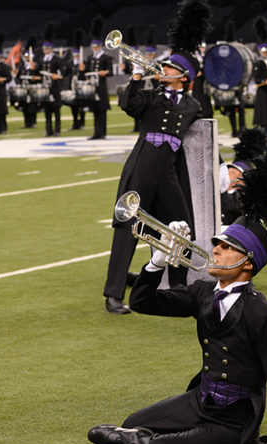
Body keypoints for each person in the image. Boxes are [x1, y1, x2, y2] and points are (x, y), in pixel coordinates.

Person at [88, 145, 267, 444]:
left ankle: (137, 440)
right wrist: (156, 263)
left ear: (248, 264)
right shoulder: (202, 292)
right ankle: (137, 436)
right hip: (200, 401)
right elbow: (143, 302)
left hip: (233, 422)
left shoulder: (264, 314)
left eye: (227, 248)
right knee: (134, 420)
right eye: (218, 245)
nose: (217, 251)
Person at [102, 52, 202, 315]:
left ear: (183, 77)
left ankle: (178, 288)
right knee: (127, 229)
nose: (163, 70)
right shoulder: (150, 96)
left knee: (181, 228)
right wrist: (136, 76)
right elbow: (128, 105)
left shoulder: (193, 105)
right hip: (142, 168)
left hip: (168, 173)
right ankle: (113, 295)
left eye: (169, 68)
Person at [81, 21, 112, 140]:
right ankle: (96, 132)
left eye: (96, 47)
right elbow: (85, 73)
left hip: (101, 86)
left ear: (100, 46)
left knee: (102, 109)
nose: (94, 48)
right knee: (94, 110)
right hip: (92, 86)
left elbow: (111, 71)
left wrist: (106, 72)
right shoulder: (90, 58)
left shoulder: (106, 57)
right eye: (93, 47)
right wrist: (82, 70)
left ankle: (102, 132)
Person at [40, 36, 66, 137]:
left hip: (55, 87)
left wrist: (58, 76)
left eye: (46, 48)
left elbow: (62, 73)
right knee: (47, 110)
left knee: (56, 110)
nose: (45, 50)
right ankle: (48, 130)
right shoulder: (42, 59)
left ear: (50, 49)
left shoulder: (57, 59)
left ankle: (57, 130)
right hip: (46, 88)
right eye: (44, 49)